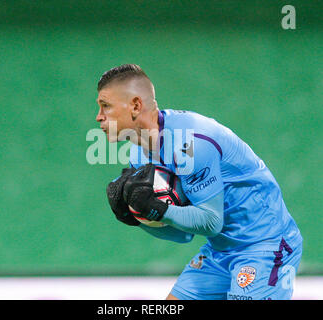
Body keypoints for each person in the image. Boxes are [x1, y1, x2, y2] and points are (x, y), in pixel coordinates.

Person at [96, 64, 303, 300]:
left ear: (135, 105)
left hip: (266, 245)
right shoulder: (138, 155)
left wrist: (159, 209)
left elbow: (211, 222)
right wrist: (136, 217)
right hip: (221, 251)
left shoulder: (191, 142)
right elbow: (182, 235)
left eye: (105, 106)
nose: (99, 116)